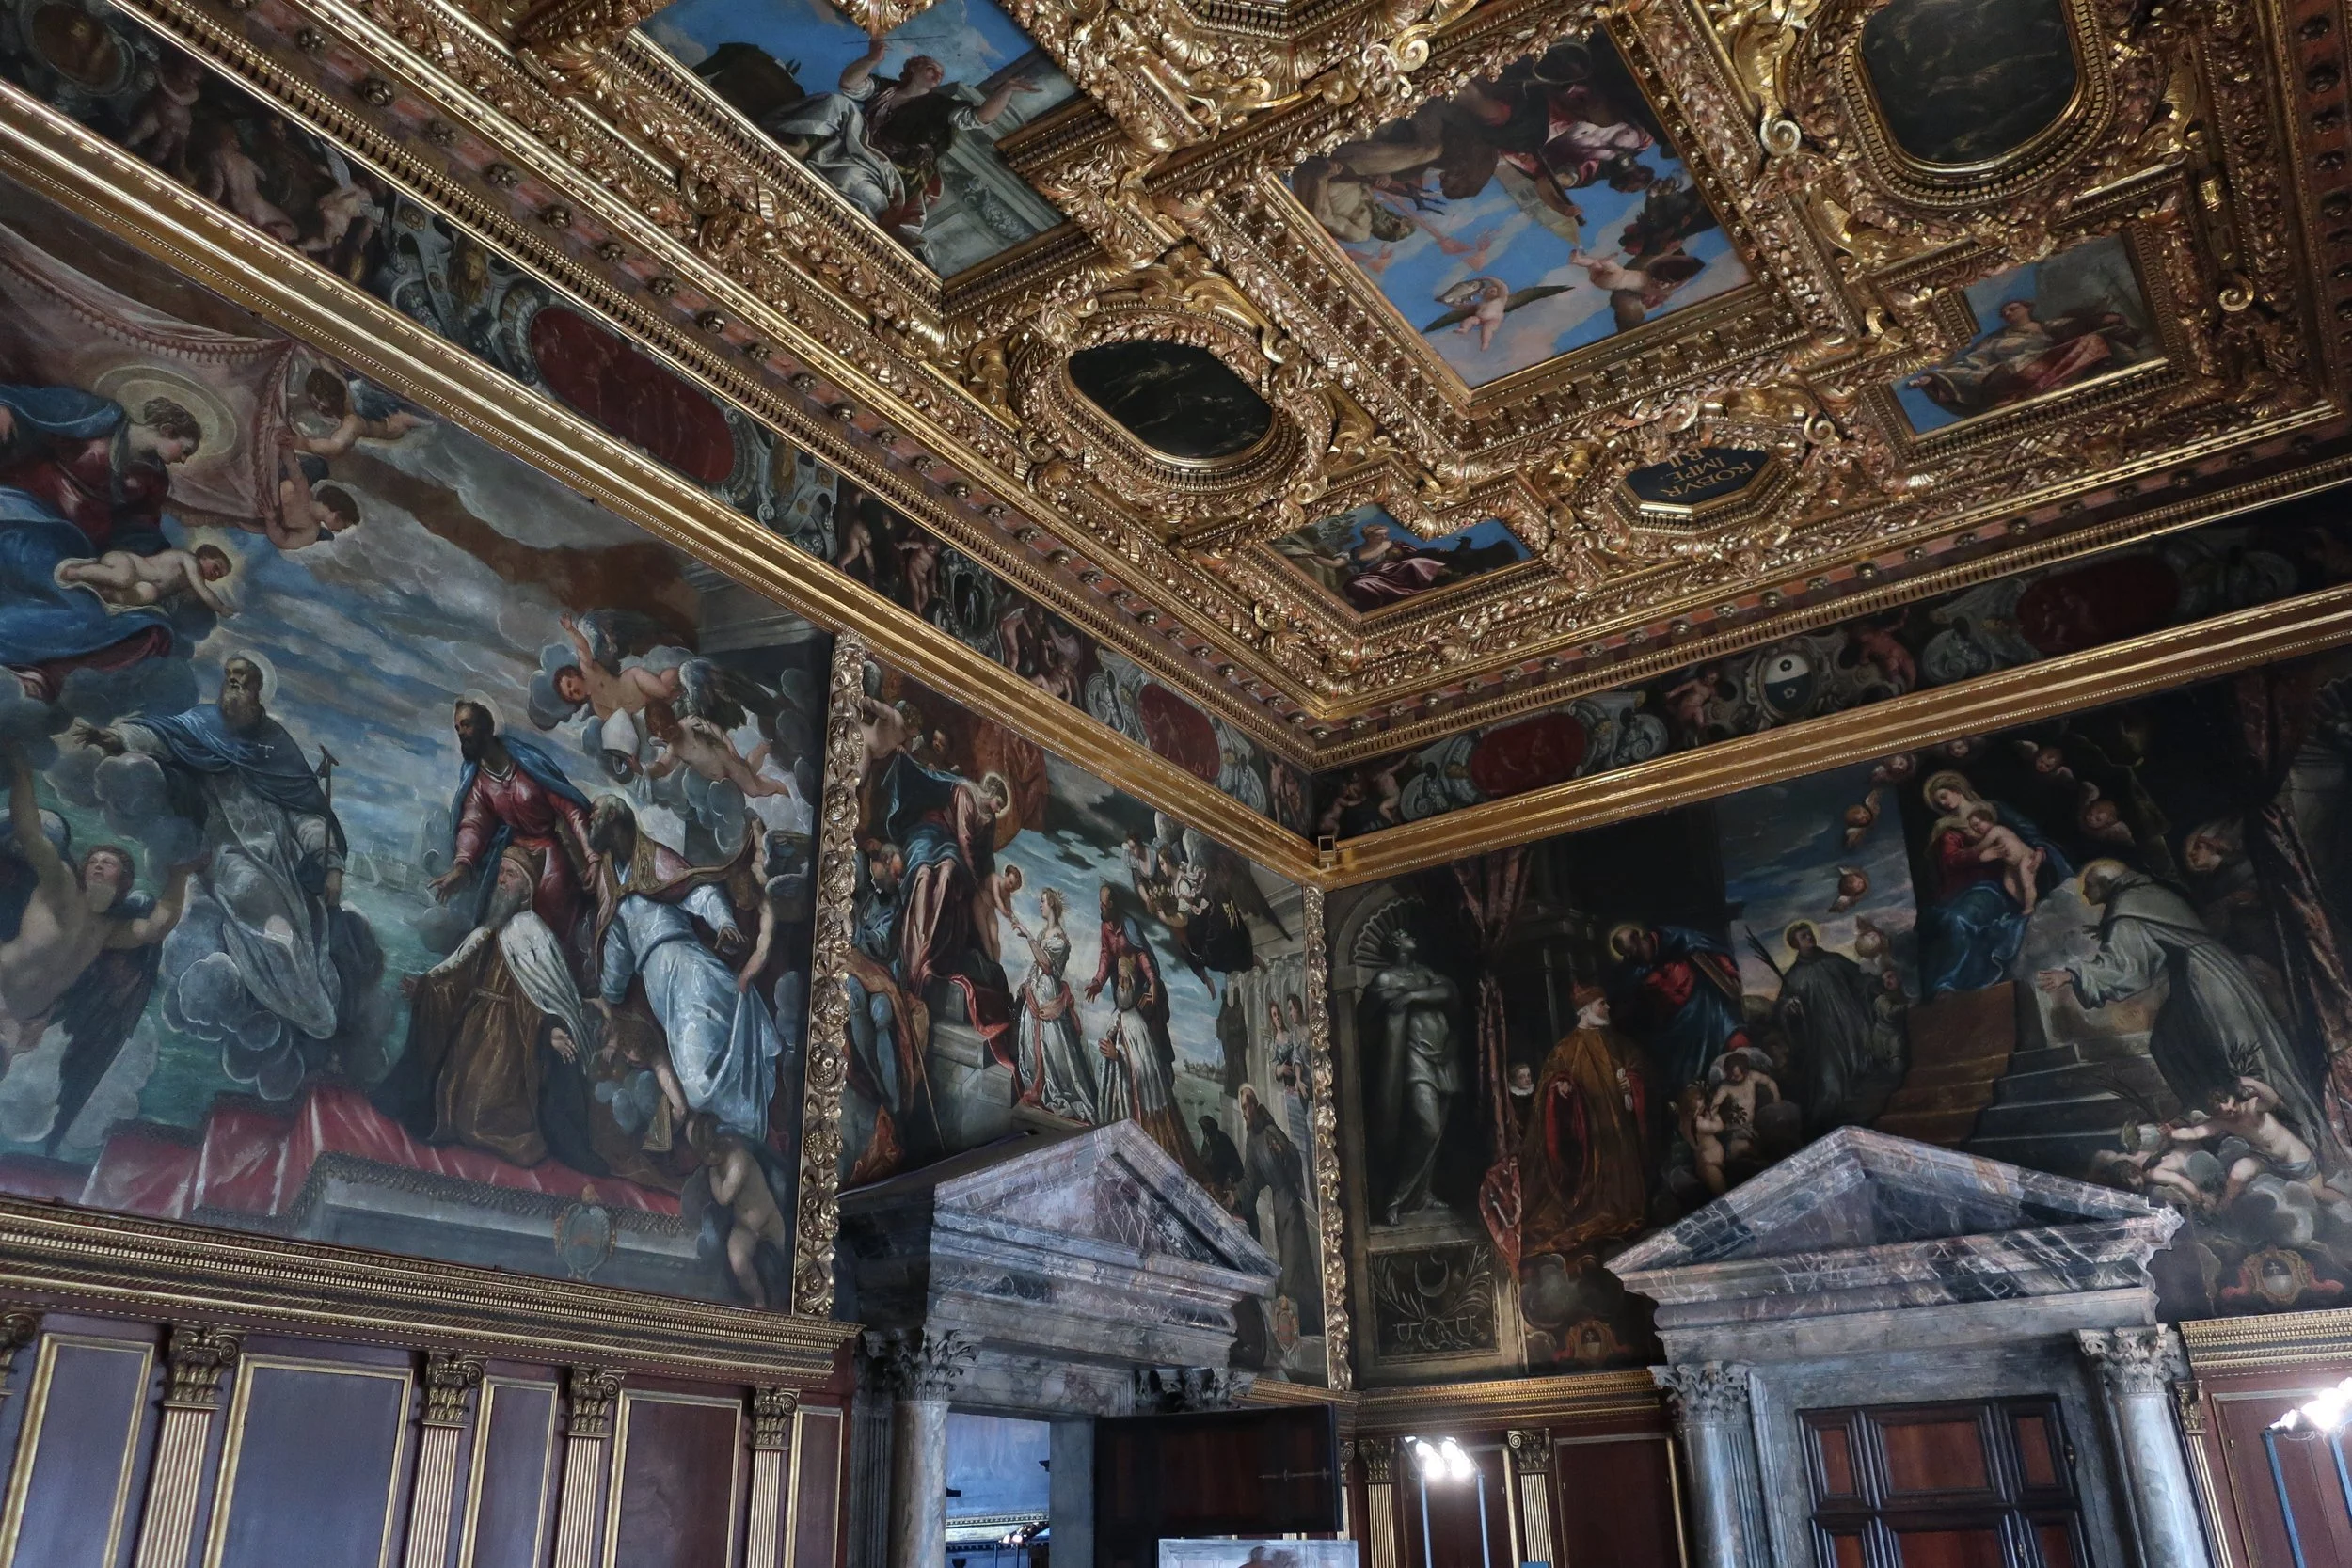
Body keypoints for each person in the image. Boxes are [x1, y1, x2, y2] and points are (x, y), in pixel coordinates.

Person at [75, 656, 359, 1043]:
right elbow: (162, 734)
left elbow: (305, 813)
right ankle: (306, 1006)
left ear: (259, 691)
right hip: (226, 851)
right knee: (260, 906)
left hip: (279, 858)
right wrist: (120, 738)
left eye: (242, 681)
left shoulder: (275, 746)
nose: (232, 686)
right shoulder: (202, 725)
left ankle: (313, 1006)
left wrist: (331, 866)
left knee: (304, 932)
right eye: (229, 678)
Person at [2039, 861, 2328, 1154]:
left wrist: (2073, 974)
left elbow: (2126, 967)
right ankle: (2212, 1118)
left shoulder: (2127, 905)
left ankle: (2269, 1131)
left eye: (2089, 887)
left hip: (2202, 980)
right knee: (2168, 1040)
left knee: (2228, 1048)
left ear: (2106, 884)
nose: (2086, 895)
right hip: (2215, 969)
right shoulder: (2151, 893)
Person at [588, 797, 780, 1140]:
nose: (589, 822)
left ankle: (743, 1136)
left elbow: (700, 892)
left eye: (595, 816)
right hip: (662, 989)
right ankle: (727, 1142)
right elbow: (619, 948)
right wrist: (608, 995)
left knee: (697, 1083)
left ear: (613, 817)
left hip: (688, 970)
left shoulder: (656, 860)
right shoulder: (612, 883)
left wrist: (723, 923)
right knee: (695, 1077)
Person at [0, 385, 200, 698]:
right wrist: (8, 409)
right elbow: (33, 407)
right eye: (185, 449)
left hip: (75, 551)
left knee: (146, 630)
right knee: (64, 599)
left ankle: (38, 669)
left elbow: (138, 530)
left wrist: (156, 564)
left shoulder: (154, 479)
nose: (184, 461)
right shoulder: (100, 416)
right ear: (167, 429)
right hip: (26, 517)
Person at [0, 747, 192, 1058]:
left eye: (109, 862)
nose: (99, 865)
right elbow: (31, 832)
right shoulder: (59, 886)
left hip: (19, 1022)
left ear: (124, 881)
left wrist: (180, 875)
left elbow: (156, 926)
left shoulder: (107, 931)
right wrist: (22, 769)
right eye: (94, 861)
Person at [427, 699, 597, 973]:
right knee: (496, 920)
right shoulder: (479, 781)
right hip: (514, 854)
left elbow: (571, 809)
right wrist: (462, 866)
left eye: (466, 724)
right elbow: (473, 824)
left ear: (487, 726)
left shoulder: (528, 764)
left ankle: (563, 982)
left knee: (554, 915)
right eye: (457, 727)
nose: (461, 732)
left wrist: (591, 855)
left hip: (551, 850)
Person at [1518, 985, 1647, 1260]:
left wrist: (1632, 1083)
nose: (1608, 1008)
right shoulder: (1565, 1050)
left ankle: (1623, 1208)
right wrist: (1560, 1088)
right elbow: (1547, 1091)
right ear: (1586, 1009)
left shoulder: (1617, 1043)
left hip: (1619, 1131)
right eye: (1603, 1004)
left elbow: (1637, 1068)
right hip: (1587, 1137)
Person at [1365, 927, 1461, 1225]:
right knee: (1427, 1126)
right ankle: (1395, 1198)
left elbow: (1447, 992)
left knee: (1439, 1130)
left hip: (1441, 1057)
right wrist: (1406, 996)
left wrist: (1410, 996)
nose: (1414, 938)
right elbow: (1372, 1006)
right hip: (1413, 1056)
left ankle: (1423, 1194)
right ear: (1396, 944)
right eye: (1407, 935)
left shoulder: (1425, 972)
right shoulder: (1385, 978)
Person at [1606, 922, 1748, 1099]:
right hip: (1675, 1025)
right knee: (1679, 1072)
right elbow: (1628, 1003)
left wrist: (1728, 972)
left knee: (1732, 1039)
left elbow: (1709, 950)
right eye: (1626, 955)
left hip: (1704, 1003)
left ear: (1638, 938)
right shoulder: (1635, 970)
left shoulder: (1677, 939)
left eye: (1631, 951)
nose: (1630, 958)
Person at [1776, 921, 1886, 1133]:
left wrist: (1879, 985)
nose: (1809, 937)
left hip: (1852, 1025)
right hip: (1824, 1036)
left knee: (1865, 1069)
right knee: (1831, 1083)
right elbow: (1783, 1007)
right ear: (1795, 944)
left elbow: (1861, 979)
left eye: (1809, 934)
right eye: (1803, 936)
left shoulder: (1833, 960)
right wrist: (1789, 1008)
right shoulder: (1793, 976)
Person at [1234, 1085, 1321, 1334]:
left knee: (1294, 1263)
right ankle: (1302, 1321)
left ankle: (1307, 1322)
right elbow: (1251, 1179)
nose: (1244, 1112)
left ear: (1254, 1105)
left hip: (1290, 1202)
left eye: (1246, 1106)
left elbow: (1294, 1159)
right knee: (1289, 1260)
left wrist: (1284, 1154)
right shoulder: (1253, 1139)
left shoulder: (1270, 1131)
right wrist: (1235, 1198)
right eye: (1242, 1108)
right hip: (1279, 1201)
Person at [1006, 884, 1095, 1122]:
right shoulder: (1045, 934)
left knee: (1053, 1046)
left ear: (1052, 904)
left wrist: (1028, 936)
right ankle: (1036, 1085)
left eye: (1043, 901)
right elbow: (1037, 965)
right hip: (1036, 993)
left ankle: (1055, 1090)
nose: (1040, 904)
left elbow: (1046, 965)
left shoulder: (1060, 940)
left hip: (1048, 997)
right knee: (1030, 1043)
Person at [56, 543, 233, 613]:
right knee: (123, 578)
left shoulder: (189, 584)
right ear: (204, 556)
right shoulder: (189, 560)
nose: (215, 575)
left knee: (149, 593)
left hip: (141, 583)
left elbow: (185, 597)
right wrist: (221, 607)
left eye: (219, 576)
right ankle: (77, 572)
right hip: (126, 563)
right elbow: (202, 590)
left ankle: (104, 592)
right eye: (216, 568)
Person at [1965, 804, 2045, 915]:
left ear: (1987, 818)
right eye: (1974, 828)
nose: (1977, 828)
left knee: (2027, 882)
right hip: (2011, 865)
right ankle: (2026, 904)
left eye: (1978, 824)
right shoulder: (1989, 836)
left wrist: (1971, 850)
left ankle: (2030, 907)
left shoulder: (1996, 830)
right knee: (2008, 884)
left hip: (2025, 857)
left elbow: (1981, 847)